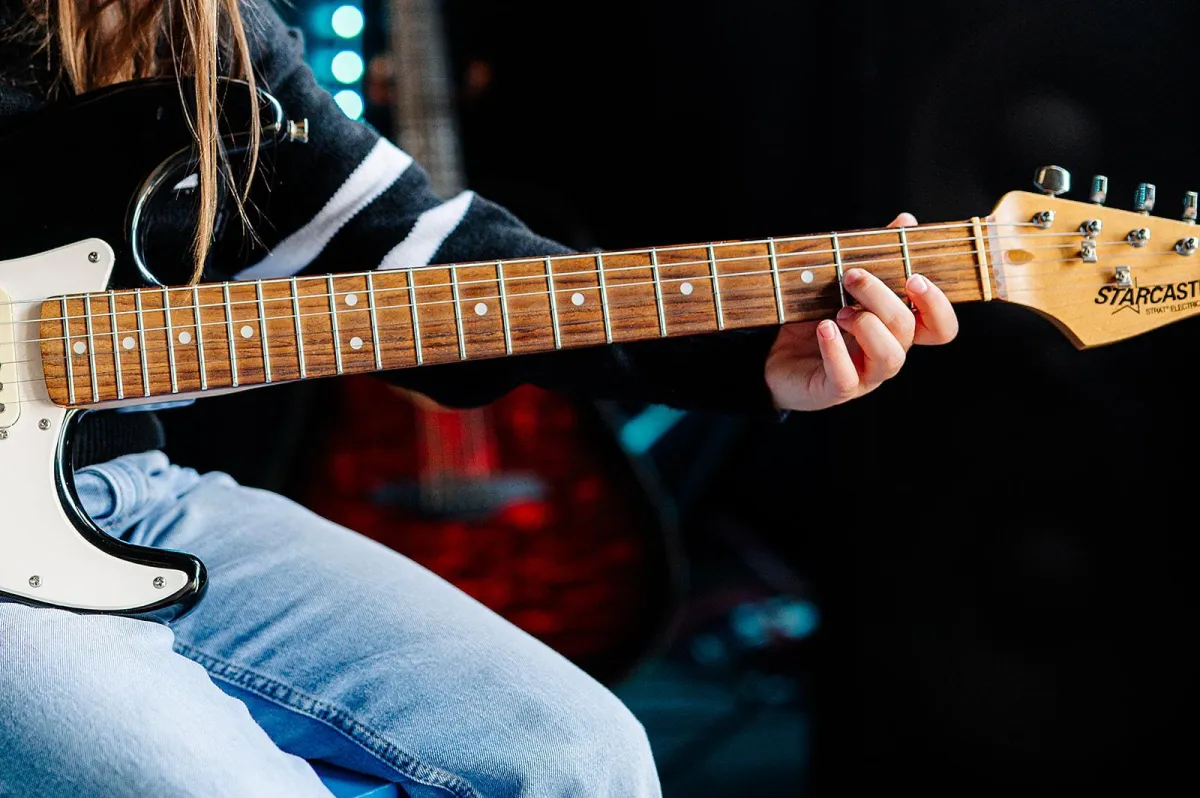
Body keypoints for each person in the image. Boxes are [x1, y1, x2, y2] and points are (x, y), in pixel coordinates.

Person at [0, 1, 959, 796]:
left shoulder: (173, 16)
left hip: (114, 490)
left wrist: (752, 347)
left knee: (577, 761)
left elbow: (411, 249)